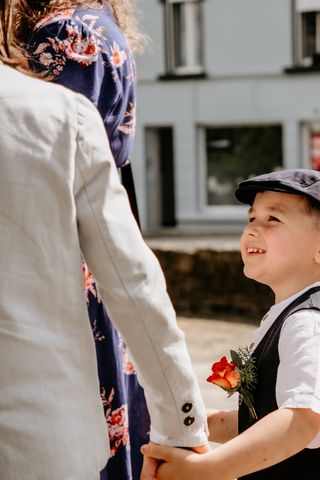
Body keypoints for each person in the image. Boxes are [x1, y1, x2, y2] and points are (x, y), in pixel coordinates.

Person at [0, 3, 208, 478]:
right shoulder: (80, 52)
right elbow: (135, 284)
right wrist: (183, 430)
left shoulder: (68, 36)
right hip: (41, 431)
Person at [142, 169, 320, 479]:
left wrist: (209, 469)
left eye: (272, 220)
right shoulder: (288, 315)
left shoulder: (311, 323)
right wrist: (200, 423)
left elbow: (303, 420)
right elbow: (266, 415)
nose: (252, 230)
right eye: (251, 219)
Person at [18, 2, 148, 478]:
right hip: (87, 249)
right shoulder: (93, 24)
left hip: (64, 251)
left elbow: (36, 159)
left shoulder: (68, 35)